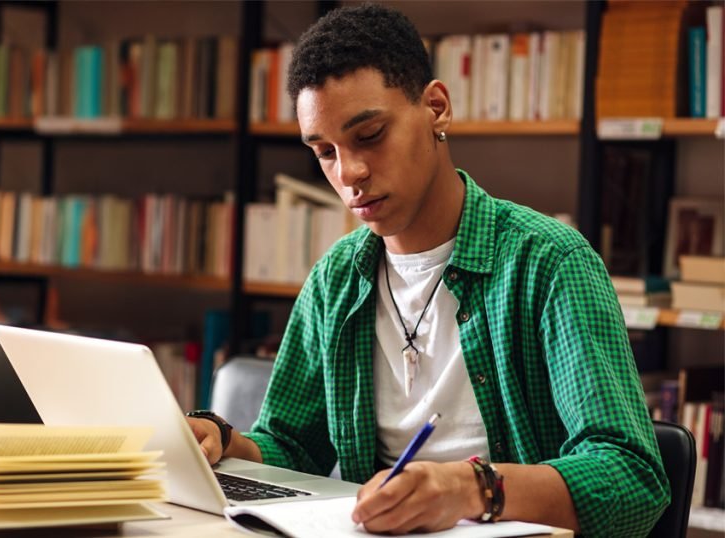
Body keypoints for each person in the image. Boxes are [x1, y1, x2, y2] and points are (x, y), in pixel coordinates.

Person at [186, 4, 668, 536]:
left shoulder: (549, 263)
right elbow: (295, 446)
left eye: (369, 135)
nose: (350, 175)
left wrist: (471, 489)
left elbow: (633, 477)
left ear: (436, 107)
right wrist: (224, 440)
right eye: (324, 152)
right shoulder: (337, 278)